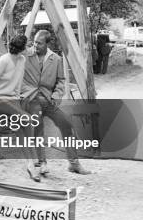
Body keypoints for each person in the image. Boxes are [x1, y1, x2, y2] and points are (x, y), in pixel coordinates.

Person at [21, 30, 91, 175]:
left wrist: (56, 96)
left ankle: (74, 163)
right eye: (34, 42)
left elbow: (61, 81)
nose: (35, 45)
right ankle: (42, 164)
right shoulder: (26, 55)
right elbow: (10, 58)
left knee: (67, 125)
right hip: (32, 100)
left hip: (49, 101)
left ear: (48, 43)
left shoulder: (56, 59)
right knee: (37, 130)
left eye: (39, 43)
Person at [0, 34, 40, 180]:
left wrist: (18, 98)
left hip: (12, 100)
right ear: (22, 48)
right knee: (27, 119)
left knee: (23, 128)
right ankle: (33, 158)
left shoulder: (22, 59)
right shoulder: (3, 60)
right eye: (28, 45)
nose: (30, 47)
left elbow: (18, 81)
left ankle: (31, 164)